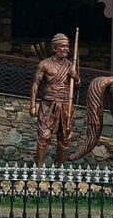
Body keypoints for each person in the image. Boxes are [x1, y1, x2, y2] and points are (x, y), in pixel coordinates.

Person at [30, 32, 79, 166]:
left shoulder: (71, 65)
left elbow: (77, 86)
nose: (65, 49)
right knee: (44, 136)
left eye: (67, 46)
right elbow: (36, 84)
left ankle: (60, 169)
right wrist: (33, 105)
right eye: (62, 46)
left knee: (64, 138)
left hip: (65, 104)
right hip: (48, 103)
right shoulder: (44, 64)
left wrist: (76, 77)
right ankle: (39, 169)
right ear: (54, 48)